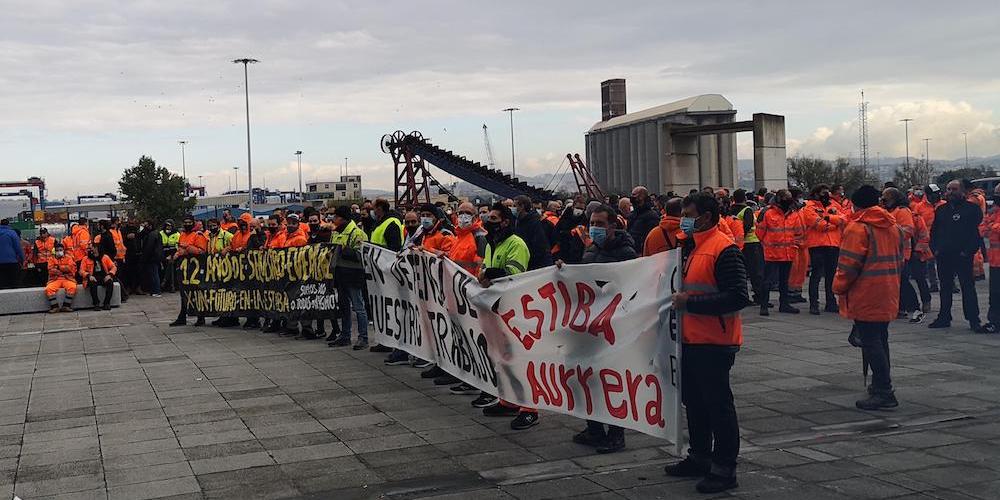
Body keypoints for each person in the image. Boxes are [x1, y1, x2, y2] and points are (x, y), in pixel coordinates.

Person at [664, 193, 749, 494]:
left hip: (714, 342)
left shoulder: (723, 249)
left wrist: (691, 303)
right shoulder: (689, 247)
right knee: (696, 404)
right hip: (690, 339)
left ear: (708, 217)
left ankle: (725, 469)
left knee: (718, 407)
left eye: (690, 214)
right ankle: (699, 456)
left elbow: (738, 296)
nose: (684, 219)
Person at [565, 204, 637, 454]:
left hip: (612, 326)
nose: (594, 228)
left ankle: (616, 434)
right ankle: (594, 429)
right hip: (590, 324)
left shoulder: (625, 252)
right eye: (592, 223)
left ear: (612, 226)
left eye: (599, 224)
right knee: (588, 379)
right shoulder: (591, 249)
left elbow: (631, 287)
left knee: (611, 381)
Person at [832, 185, 904, 410]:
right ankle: (880, 384)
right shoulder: (893, 226)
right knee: (881, 339)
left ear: (856, 203)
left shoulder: (858, 228)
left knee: (871, 342)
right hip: (888, 289)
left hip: (865, 292)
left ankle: (884, 390)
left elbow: (848, 265)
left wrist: (838, 287)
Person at [477, 202, 536, 430]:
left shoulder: (516, 244)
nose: (488, 222)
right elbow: (485, 267)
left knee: (520, 359)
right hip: (497, 308)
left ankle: (529, 408)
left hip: (515, 310)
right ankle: (509, 400)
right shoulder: (492, 243)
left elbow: (515, 273)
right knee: (502, 357)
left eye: (493, 218)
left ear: (504, 222)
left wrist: (489, 274)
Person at [431, 201, 488, 392]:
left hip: (469, 293)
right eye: (460, 212)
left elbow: (478, 265)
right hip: (456, 292)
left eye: (468, 213)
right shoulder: (459, 236)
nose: (463, 216)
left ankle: (476, 379)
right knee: (461, 336)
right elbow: (455, 260)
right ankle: (466, 373)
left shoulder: (479, 237)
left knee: (472, 337)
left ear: (475, 216)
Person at [929, 180, 984, 332]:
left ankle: (974, 319)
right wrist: (935, 250)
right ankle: (944, 317)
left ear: (962, 192)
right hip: (944, 256)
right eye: (948, 189)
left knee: (968, 287)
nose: (950, 192)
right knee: (945, 287)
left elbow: (976, 234)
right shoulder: (941, 210)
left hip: (963, 256)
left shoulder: (972, 209)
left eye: (954, 189)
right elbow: (934, 232)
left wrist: (967, 252)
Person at [756, 189, 804, 315]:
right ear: (779, 198)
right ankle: (764, 305)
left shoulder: (793, 214)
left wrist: (794, 245)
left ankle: (784, 304)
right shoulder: (767, 213)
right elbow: (759, 232)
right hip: (772, 253)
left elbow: (798, 232)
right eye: (786, 197)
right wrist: (766, 244)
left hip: (788, 252)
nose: (788, 200)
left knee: (784, 281)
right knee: (767, 280)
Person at [329, 205, 369, 349]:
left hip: (353, 274)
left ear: (342, 218)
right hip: (340, 274)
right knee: (344, 307)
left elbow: (361, 255)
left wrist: (343, 250)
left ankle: (363, 337)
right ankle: (345, 336)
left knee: (358, 307)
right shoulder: (336, 232)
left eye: (335, 217)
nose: (333, 220)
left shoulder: (357, 233)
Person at [801, 184, 845, 315]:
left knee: (831, 276)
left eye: (827, 193)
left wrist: (829, 219)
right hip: (817, 245)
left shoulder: (834, 205)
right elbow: (817, 224)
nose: (826, 195)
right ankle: (814, 304)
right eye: (823, 193)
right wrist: (834, 224)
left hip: (833, 244)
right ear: (815, 194)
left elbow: (844, 219)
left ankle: (831, 303)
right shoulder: (809, 207)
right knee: (816, 275)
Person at [169, 215, 208, 327]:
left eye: (189, 222)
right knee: (183, 293)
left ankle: (201, 317)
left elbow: (201, 251)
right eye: (185, 222)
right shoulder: (182, 235)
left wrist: (187, 250)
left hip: (195, 269)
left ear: (193, 223)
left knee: (197, 292)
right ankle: (182, 316)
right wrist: (177, 254)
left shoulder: (198, 235)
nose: (187, 224)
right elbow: (180, 248)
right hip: (184, 269)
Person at [731, 189, 765, 305]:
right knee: (756, 272)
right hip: (751, 243)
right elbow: (747, 226)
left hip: (736, 244)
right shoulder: (747, 210)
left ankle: (743, 296)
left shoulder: (731, 210)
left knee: (741, 272)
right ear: (745, 199)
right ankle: (759, 296)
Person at [513, 196, 552, 272]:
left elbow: (539, 247)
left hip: (535, 265)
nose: (512, 208)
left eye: (515, 206)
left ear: (522, 206)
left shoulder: (535, 222)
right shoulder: (518, 221)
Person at [981, 184, 1000, 333]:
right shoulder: (994, 211)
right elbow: (982, 229)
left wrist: (992, 226)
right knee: (994, 294)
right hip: (995, 262)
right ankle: (994, 321)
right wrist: (992, 224)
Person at [80, 242, 117, 311]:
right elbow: (81, 271)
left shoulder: (105, 257)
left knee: (110, 283)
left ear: (96, 248)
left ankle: (107, 303)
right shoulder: (85, 259)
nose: (90, 250)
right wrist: (88, 276)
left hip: (103, 276)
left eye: (91, 248)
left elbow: (113, 267)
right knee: (92, 284)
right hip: (92, 277)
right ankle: (96, 303)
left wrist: (110, 275)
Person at [45, 243, 77, 312]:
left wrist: (58, 267)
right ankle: (55, 307)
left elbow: (70, 268)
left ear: (63, 250)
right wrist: (64, 269)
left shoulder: (69, 258)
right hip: (55, 279)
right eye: (57, 250)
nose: (59, 252)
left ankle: (66, 306)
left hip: (67, 278)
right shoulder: (51, 259)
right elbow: (51, 270)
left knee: (72, 287)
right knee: (49, 289)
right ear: (55, 251)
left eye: (60, 250)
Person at [627, 186, 660, 253]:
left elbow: (652, 237)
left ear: (642, 197)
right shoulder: (632, 215)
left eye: (634, 196)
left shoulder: (652, 216)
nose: (632, 200)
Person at [0, 218, 25, 289]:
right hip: (12, 263)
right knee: (14, 283)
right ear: (9, 224)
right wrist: (22, 259)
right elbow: (18, 248)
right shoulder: (12, 233)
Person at [142, 220, 164, 297]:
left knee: (154, 274)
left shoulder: (152, 234)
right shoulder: (156, 233)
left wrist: (144, 257)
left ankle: (156, 291)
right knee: (154, 274)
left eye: (146, 225)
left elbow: (149, 247)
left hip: (152, 257)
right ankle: (154, 290)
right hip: (155, 257)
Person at [159, 220, 179, 292]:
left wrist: (172, 256)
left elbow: (178, 247)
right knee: (163, 269)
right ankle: (165, 284)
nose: (168, 227)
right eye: (167, 225)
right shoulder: (161, 233)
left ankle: (170, 285)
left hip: (173, 255)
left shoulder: (177, 234)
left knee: (171, 267)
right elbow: (159, 246)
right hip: (163, 255)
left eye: (170, 226)